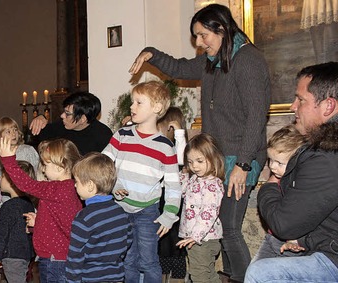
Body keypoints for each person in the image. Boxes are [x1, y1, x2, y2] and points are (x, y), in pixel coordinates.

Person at [129, 4, 271, 280]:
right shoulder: (211, 61)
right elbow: (179, 67)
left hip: (242, 157)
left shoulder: (249, 60)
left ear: (222, 28)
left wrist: (243, 164)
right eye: (196, 36)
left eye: (203, 35)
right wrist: (152, 54)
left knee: (229, 227)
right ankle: (229, 275)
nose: (199, 42)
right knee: (219, 227)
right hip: (215, 157)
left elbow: (256, 118)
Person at [244, 62, 338, 282]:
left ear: (328, 106)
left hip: (331, 259)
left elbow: (283, 224)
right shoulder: (321, 149)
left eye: (301, 100)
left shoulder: (327, 156)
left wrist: (270, 183)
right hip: (321, 246)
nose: (293, 106)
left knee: (261, 274)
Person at [102, 81, 180, 283]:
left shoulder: (165, 147)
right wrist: (113, 186)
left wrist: (169, 215)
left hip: (148, 213)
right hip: (120, 208)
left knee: (148, 261)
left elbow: (173, 185)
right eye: (132, 102)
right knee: (127, 260)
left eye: (138, 102)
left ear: (156, 108)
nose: (131, 107)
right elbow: (104, 165)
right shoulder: (122, 135)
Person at [0, 137, 82, 283]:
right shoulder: (70, 189)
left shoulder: (57, 189)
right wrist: (38, 224)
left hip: (55, 260)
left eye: (45, 164)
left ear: (60, 166)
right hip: (60, 257)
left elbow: (27, 185)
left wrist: (8, 160)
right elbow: (63, 226)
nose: (42, 169)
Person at [65, 153, 134, 282]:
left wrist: (72, 280)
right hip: (116, 276)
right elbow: (128, 239)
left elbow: (75, 256)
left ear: (90, 186)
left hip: (90, 278)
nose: (74, 185)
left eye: (77, 182)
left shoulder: (84, 218)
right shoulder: (120, 211)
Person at [252, 125, 305, 262]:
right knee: (255, 269)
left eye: (280, 163)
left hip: (291, 244)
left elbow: (303, 216)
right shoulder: (277, 180)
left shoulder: (300, 184)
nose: (272, 166)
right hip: (271, 238)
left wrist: (296, 240)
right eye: (270, 160)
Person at [177, 134, 225, 283]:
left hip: (203, 239)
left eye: (199, 161)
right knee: (208, 274)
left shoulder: (213, 184)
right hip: (194, 238)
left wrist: (195, 236)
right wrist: (184, 175)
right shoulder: (195, 179)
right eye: (190, 162)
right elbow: (183, 192)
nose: (194, 166)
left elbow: (208, 213)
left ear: (213, 158)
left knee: (199, 276)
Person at [156, 107, 188, 281]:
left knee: (174, 240)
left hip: (175, 198)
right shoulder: (158, 144)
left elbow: (182, 159)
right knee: (161, 240)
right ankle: (162, 274)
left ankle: (177, 277)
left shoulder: (176, 146)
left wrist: (179, 134)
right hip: (159, 196)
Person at [0, 161, 36, 283]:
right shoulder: (28, 203)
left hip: (12, 255)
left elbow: (3, 234)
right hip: (26, 254)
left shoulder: (8, 206)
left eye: (4, 176)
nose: (1, 179)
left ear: (13, 182)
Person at [29, 91, 112, 156]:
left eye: (67, 114)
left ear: (83, 119)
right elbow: (35, 136)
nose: (62, 115)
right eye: (64, 111)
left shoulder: (103, 136)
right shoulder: (61, 125)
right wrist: (40, 118)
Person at [0, 117, 40, 208]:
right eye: (8, 132)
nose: (13, 133)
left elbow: (36, 173)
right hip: (7, 199)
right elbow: (0, 180)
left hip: (27, 197)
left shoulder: (27, 150)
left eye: (15, 130)